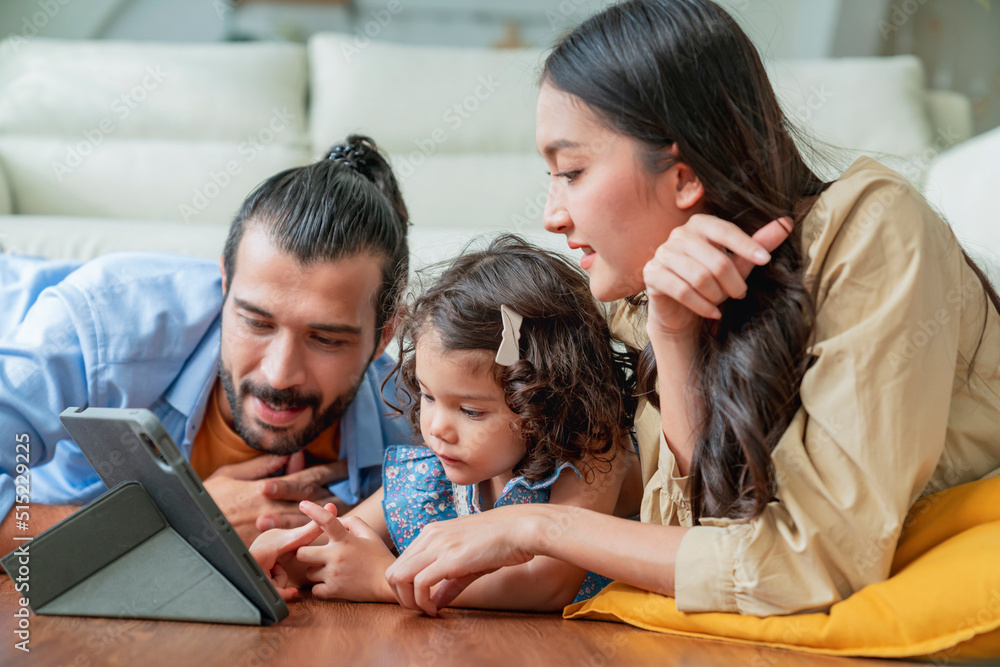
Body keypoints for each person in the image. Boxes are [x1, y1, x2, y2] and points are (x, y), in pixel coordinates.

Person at [381, 0, 1000, 617]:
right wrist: (674, 339)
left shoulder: (872, 231)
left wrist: (535, 528)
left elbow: (816, 564)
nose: (552, 215)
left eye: (571, 170)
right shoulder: (642, 299)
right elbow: (707, 547)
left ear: (683, 176)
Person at [0, 135, 416, 552]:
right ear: (224, 287)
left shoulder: (413, 420)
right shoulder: (103, 324)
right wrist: (177, 524)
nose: (279, 374)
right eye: (256, 322)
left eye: (325, 339)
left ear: (382, 338)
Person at [249, 235, 641, 611]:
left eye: (470, 411)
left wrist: (382, 580)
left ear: (549, 400)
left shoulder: (595, 453)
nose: (437, 427)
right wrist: (283, 560)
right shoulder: (434, 474)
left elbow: (548, 584)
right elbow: (337, 546)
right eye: (428, 396)